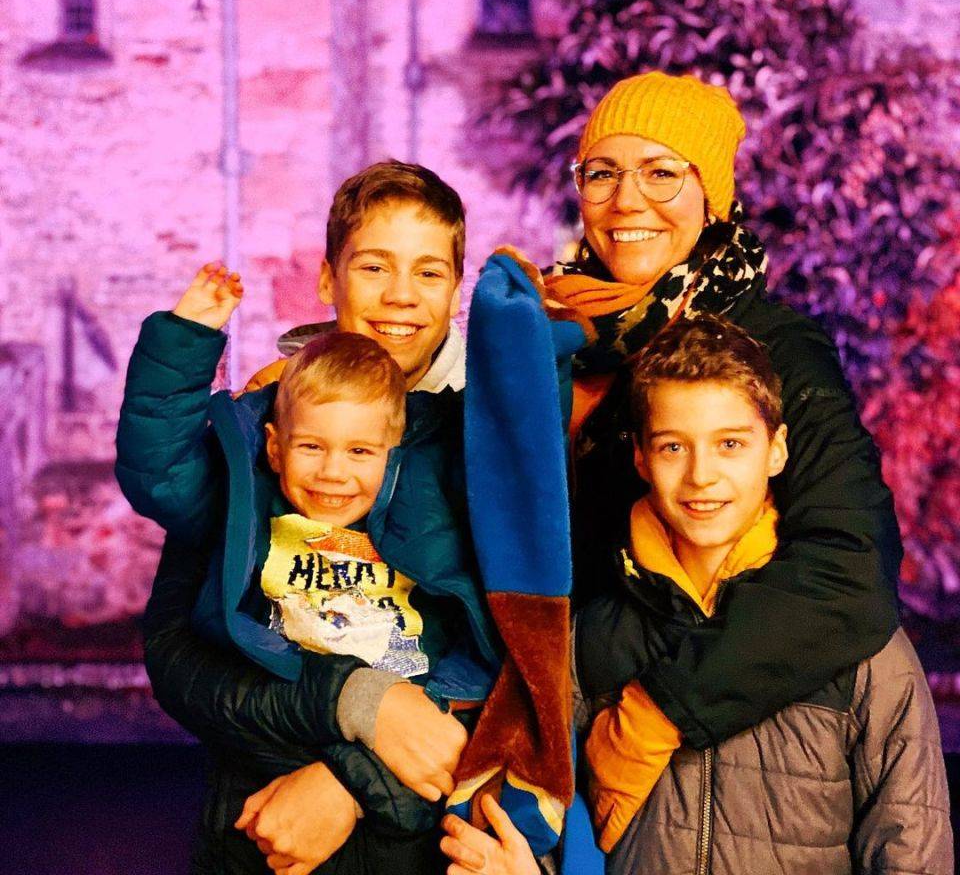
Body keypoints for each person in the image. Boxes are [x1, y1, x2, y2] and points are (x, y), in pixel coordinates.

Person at [441, 316, 952, 874]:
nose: (701, 475)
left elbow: (913, 852)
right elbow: (544, 834)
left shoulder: (862, 648)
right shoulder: (591, 637)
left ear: (777, 450)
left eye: (730, 444)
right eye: (672, 447)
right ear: (640, 458)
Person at [123, 162, 498, 874]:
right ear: (328, 280)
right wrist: (185, 341)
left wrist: (353, 783)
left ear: (457, 290)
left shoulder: (481, 443)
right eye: (374, 267)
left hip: (418, 826)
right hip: (259, 804)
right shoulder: (262, 426)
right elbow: (182, 655)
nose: (400, 295)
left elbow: (507, 665)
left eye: (427, 273)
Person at [542, 70, 902, 754]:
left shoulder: (777, 350)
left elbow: (848, 570)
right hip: (555, 722)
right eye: (602, 173)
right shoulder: (548, 341)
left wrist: (657, 714)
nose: (627, 200)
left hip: (712, 748)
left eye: (661, 174)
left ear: (711, 200)